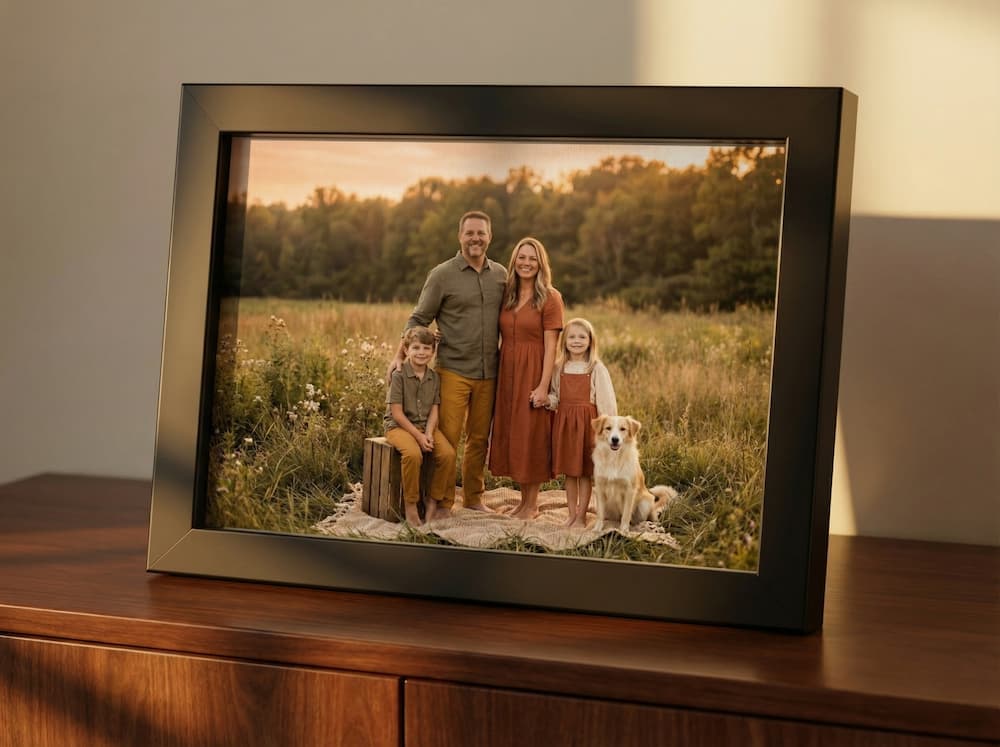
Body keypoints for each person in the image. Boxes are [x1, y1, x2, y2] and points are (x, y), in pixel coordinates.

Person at [387, 211, 507, 517]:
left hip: (490, 373)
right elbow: (418, 318)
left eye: (481, 233)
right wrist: (400, 353)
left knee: (479, 439)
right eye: (469, 233)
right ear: (460, 236)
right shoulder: (442, 274)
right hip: (453, 370)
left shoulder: (501, 276)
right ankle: (440, 503)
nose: (475, 238)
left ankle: (473, 498)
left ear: (490, 236)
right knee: (447, 441)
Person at [489, 237, 564, 520]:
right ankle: (522, 502)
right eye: (522, 257)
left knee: (532, 434)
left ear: (541, 263)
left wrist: (543, 386)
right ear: (514, 261)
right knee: (515, 434)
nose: (526, 263)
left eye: (532, 258)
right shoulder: (507, 294)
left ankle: (532, 506)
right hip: (508, 371)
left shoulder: (551, 298)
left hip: (534, 370)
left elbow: (551, 347)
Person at [547, 318, 618, 527]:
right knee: (570, 471)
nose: (576, 341)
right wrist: (546, 401)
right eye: (571, 336)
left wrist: (608, 430)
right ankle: (571, 513)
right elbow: (555, 396)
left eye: (582, 337)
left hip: (588, 425)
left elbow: (606, 402)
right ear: (564, 341)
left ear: (590, 341)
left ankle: (582, 516)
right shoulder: (559, 367)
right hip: (566, 425)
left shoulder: (595, 367)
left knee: (585, 472)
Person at [383, 327, 456, 525]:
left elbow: (434, 409)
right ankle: (411, 505)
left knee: (448, 455)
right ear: (406, 350)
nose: (421, 352)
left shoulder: (434, 377)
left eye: (426, 348)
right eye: (416, 347)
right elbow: (396, 413)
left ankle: (432, 500)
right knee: (413, 455)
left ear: (433, 351)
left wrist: (430, 433)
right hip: (399, 427)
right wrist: (418, 436)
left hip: (426, 426)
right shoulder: (399, 375)